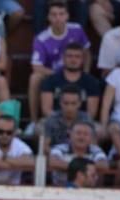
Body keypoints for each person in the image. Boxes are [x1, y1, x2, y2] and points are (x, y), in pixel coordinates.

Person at [28, 0, 90, 128]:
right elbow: (36, 66)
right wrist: (59, 74)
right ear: (48, 17)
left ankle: (86, 122)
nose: (58, 18)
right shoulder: (41, 38)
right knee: (34, 78)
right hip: (53, 75)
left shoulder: (77, 29)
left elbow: (87, 53)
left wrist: (85, 72)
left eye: (61, 14)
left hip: (76, 72)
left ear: (67, 16)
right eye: (54, 15)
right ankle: (33, 121)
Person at [40, 42, 102, 120]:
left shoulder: (92, 82)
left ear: (82, 59)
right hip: (56, 121)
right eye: (69, 56)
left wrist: (76, 124)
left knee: (99, 130)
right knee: (39, 127)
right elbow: (46, 110)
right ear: (63, 58)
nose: (73, 60)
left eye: (77, 57)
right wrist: (63, 122)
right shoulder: (50, 80)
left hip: (83, 123)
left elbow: (91, 113)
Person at [49, 120, 108, 186]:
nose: (81, 137)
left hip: (89, 191)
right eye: (78, 133)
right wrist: (82, 168)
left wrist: (77, 167)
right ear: (70, 134)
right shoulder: (59, 148)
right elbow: (53, 162)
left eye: (86, 134)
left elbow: (104, 165)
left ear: (91, 137)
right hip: (60, 190)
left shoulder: (95, 150)